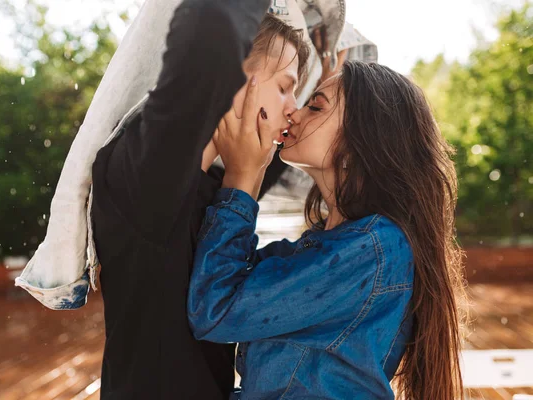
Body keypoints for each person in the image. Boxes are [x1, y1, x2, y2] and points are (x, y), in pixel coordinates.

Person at [188, 61, 466, 399]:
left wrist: (243, 178)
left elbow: (215, 309)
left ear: (363, 136)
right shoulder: (326, 249)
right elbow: (220, 282)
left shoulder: (373, 251)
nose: (294, 113)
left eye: (315, 106)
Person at [90, 1, 311, 398]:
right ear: (231, 75)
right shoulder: (146, 174)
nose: (294, 109)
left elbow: (260, 164)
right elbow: (214, 24)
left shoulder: (208, 188)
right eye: (285, 87)